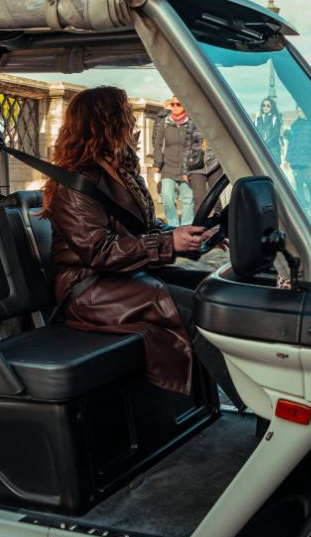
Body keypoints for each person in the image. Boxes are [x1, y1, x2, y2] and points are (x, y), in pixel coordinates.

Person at [41, 86, 243, 408]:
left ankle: (215, 405)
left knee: (215, 291)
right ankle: (255, 403)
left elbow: (144, 229)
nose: (134, 125)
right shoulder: (76, 183)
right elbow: (99, 251)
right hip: (88, 290)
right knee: (193, 308)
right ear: (107, 122)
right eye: (125, 117)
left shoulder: (120, 170)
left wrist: (187, 236)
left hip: (123, 277)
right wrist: (168, 243)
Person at [151, 97, 199, 225]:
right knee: (166, 197)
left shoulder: (191, 123)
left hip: (186, 167)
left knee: (187, 199)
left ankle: (186, 225)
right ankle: (173, 225)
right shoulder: (165, 123)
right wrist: (157, 163)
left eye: (178, 104)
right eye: (172, 104)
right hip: (168, 166)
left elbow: (196, 146)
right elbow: (157, 144)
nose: (175, 106)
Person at [285, 110, 311, 208]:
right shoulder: (294, 125)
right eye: (299, 111)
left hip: (307, 158)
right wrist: (287, 159)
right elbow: (291, 143)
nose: (301, 113)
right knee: (298, 182)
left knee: (307, 179)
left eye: (302, 111)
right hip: (295, 159)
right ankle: (303, 204)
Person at [254, 97, 283, 161]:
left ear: (271, 107)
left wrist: (264, 145)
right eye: (263, 105)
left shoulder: (275, 119)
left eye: (268, 106)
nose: (265, 107)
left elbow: (275, 136)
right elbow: (254, 134)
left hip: (273, 151)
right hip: (260, 151)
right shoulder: (257, 120)